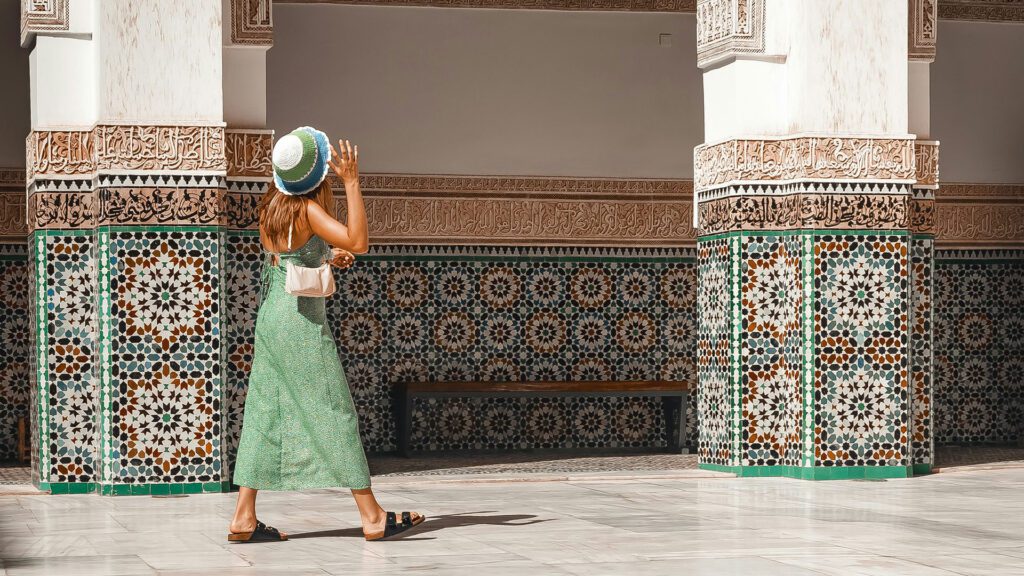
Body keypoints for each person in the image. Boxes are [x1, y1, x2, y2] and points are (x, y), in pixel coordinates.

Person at [228, 127, 424, 543]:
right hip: (301, 326)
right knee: (334, 410)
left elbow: (288, 255)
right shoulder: (308, 210)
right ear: (316, 175)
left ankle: (244, 516)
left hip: (272, 320)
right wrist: (352, 182)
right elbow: (361, 240)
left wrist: (327, 255)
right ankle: (372, 516)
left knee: (264, 412)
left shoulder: (271, 207)